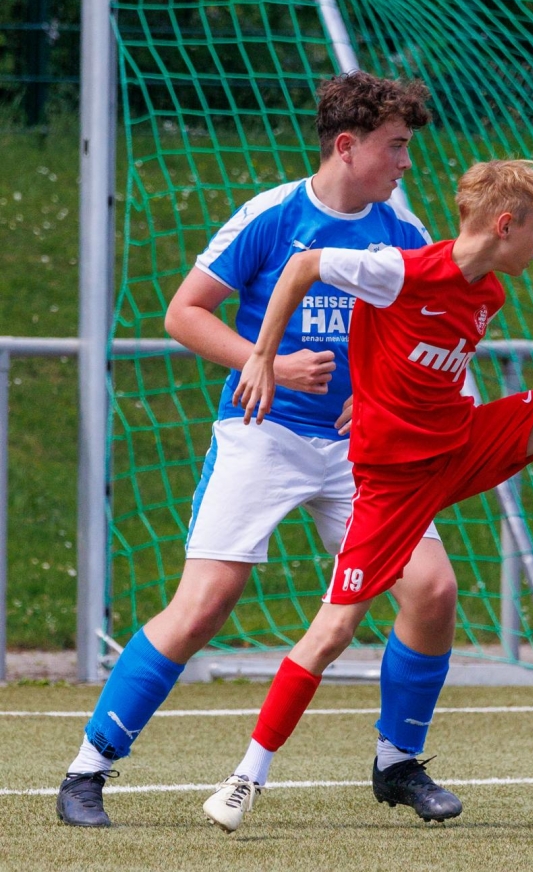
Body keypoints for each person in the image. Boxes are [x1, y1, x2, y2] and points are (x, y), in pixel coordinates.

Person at [210, 157, 533, 833]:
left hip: (459, 445)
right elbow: (304, 266)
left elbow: (425, 366)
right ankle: (246, 776)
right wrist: (261, 356)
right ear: (505, 224)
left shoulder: (488, 295)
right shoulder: (399, 269)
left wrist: (378, 388)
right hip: (393, 483)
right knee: (333, 630)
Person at [56, 71, 466, 829]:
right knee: (202, 607)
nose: (407, 162)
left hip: (361, 452)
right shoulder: (273, 216)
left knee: (432, 590)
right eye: (395, 146)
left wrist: (384, 392)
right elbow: (184, 312)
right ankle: (88, 769)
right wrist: (266, 364)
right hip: (263, 434)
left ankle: (397, 762)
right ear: (347, 146)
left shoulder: (404, 232)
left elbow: (430, 329)